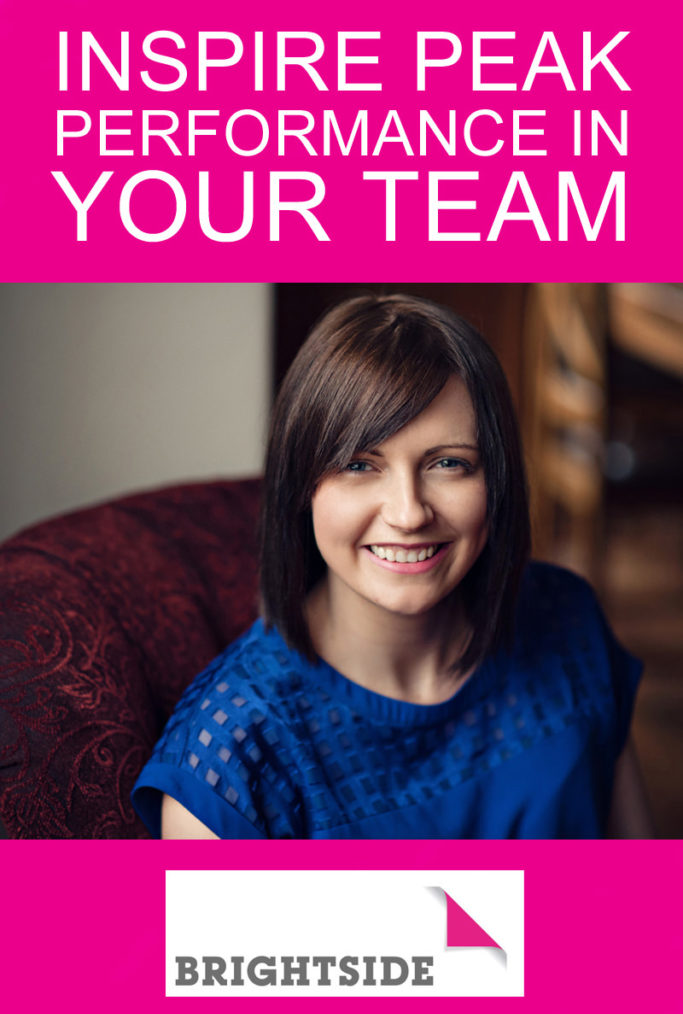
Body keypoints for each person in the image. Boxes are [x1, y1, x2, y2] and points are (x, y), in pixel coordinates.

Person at [132, 293, 651, 839]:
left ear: (496, 479)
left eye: (449, 463)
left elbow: (647, 907)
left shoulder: (568, 619)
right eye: (360, 464)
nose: (408, 513)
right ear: (301, 486)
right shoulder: (229, 759)